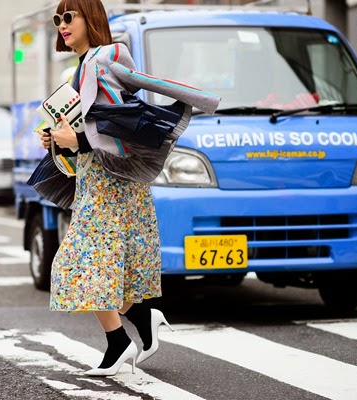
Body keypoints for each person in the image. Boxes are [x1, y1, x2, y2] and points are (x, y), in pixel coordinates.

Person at [36, 0, 220, 377]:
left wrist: (79, 141)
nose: (62, 25)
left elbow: (123, 126)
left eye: (69, 17)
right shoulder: (82, 67)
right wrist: (57, 140)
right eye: (58, 19)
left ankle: (122, 340)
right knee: (107, 267)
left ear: (92, 18)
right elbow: (95, 125)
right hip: (98, 181)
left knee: (80, 264)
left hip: (110, 183)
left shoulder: (106, 57)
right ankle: (141, 321)